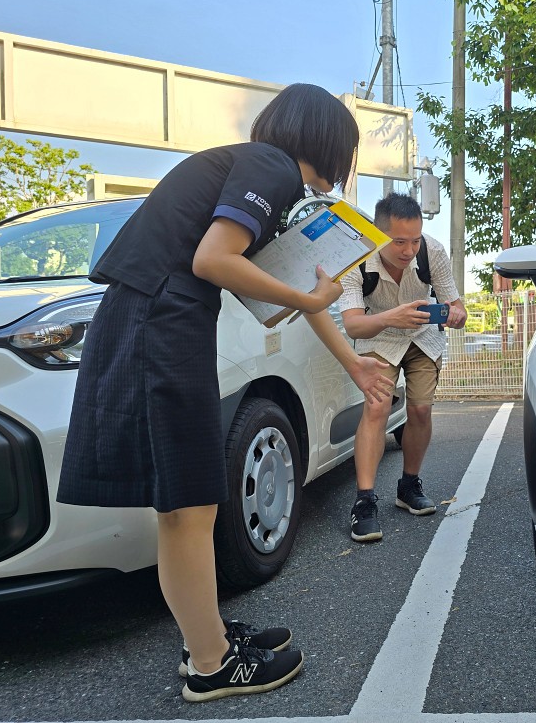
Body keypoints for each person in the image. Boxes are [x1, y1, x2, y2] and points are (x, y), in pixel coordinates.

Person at [56, 84, 394, 702]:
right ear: (328, 140)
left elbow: (278, 287)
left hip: (149, 317)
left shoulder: (246, 169)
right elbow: (217, 260)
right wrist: (309, 299)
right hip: (162, 321)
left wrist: (353, 363)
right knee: (189, 505)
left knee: (183, 505)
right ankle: (212, 666)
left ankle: (203, 637)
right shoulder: (270, 167)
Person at [336, 192, 467, 542]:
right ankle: (364, 501)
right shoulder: (357, 259)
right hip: (378, 339)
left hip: (423, 338)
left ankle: (408, 485)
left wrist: (455, 314)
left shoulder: (432, 251)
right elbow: (353, 325)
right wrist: (393, 316)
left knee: (421, 411)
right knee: (377, 408)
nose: (409, 250)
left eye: (414, 240)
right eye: (398, 242)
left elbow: (458, 306)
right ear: (379, 235)